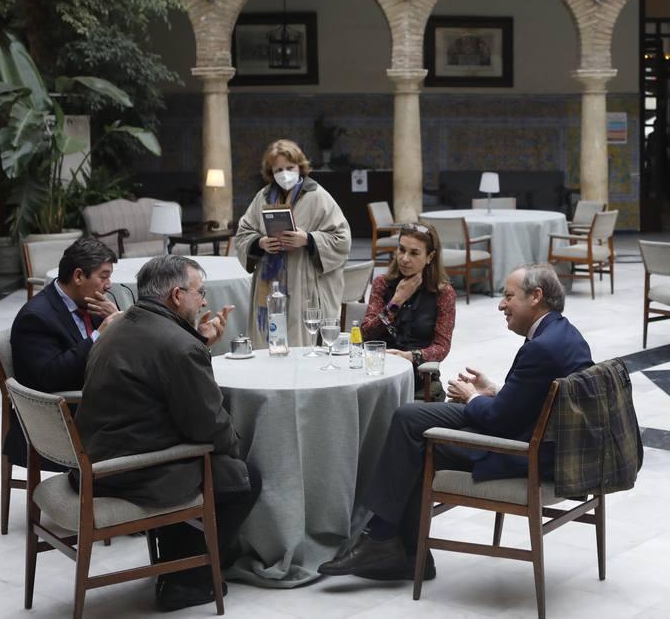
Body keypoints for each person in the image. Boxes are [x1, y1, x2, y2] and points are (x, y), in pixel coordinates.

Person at [317, 263, 593, 583]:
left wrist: (474, 398)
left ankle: (388, 543)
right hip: (526, 426)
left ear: (536, 297)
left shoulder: (542, 347)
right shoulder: (561, 332)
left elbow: (498, 420)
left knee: (418, 447)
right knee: (409, 417)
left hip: (524, 451)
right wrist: (492, 391)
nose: (501, 304)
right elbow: (532, 399)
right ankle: (387, 542)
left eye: (508, 296)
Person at [74, 255, 255, 613]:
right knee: (243, 475)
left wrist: (198, 346)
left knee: (211, 461)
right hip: (131, 470)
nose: (204, 301)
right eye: (200, 293)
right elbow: (208, 426)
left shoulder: (118, 326)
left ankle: (188, 560)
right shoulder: (179, 346)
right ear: (176, 295)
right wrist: (237, 448)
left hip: (96, 454)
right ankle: (188, 579)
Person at [7, 238, 123, 467]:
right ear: (79, 276)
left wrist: (121, 318)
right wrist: (99, 335)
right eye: (104, 276)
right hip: (63, 421)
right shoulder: (36, 317)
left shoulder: (93, 303)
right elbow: (52, 375)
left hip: (97, 403)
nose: (109, 284)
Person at [233, 139, 351, 347]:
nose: (285, 174)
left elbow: (342, 239)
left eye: (290, 168)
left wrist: (308, 239)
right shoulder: (263, 197)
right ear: (271, 171)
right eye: (279, 169)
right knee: (268, 343)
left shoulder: (317, 196)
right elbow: (243, 233)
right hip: (268, 285)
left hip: (302, 282)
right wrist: (260, 243)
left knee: (299, 344)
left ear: (300, 167)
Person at [360, 222, 455, 400]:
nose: (404, 258)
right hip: (378, 375)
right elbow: (365, 334)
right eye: (401, 250)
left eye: (414, 253)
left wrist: (410, 356)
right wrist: (396, 302)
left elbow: (442, 347)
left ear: (430, 256)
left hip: (418, 378)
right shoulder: (382, 283)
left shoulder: (443, 293)